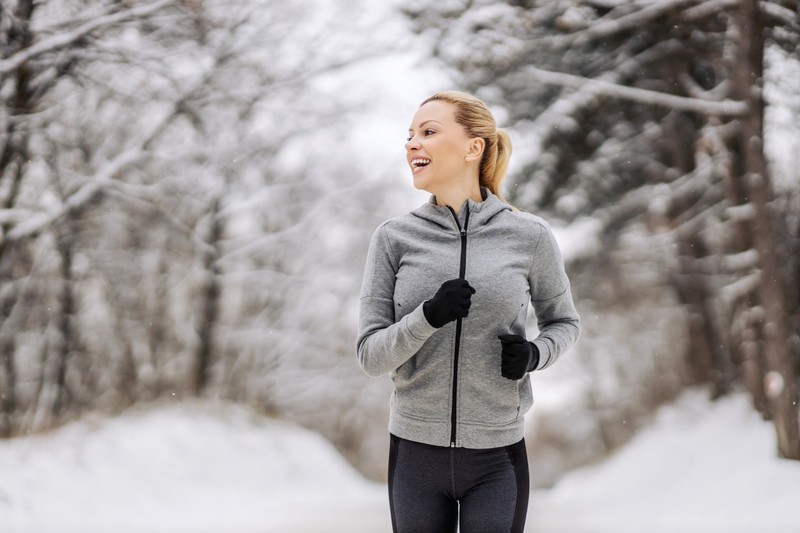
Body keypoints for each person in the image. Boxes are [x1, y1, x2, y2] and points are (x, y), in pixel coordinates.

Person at [356, 90, 580, 532]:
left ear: (473, 147)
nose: (412, 144)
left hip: (497, 457)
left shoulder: (529, 236)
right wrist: (427, 318)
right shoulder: (393, 238)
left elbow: (565, 323)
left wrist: (536, 355)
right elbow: (370, 355)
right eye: (410, 135)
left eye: (429, 132)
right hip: (415, 455)